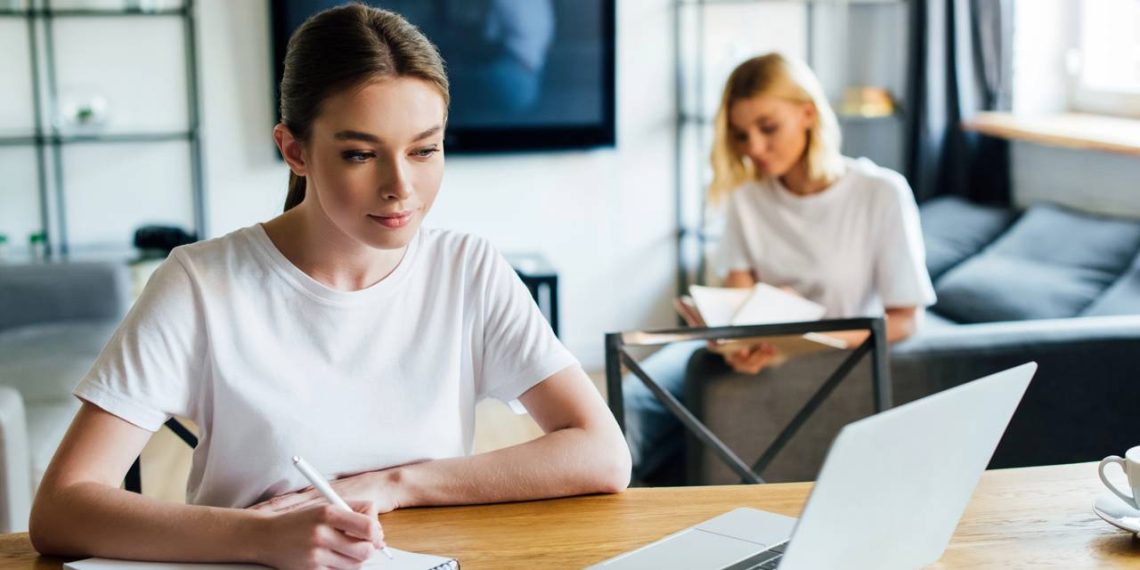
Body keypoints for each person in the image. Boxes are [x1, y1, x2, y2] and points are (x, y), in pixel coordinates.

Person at [28, 5, 630, 568]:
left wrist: (393, 484)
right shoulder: (199, 284)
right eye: (361, 155)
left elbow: (603, 454)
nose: (402, 187)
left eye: (425, 150)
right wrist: (260, 537)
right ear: (294, 149)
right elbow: (60, 508)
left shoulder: (467, 270)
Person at [624, 52, 936, 485]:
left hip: (828, 355)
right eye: (740, 134)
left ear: (808, 113)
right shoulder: (747, 198)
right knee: (632, 404)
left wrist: (803, 339)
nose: (753, 147)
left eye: (767, 128)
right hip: (759, 351)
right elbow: (736, 302)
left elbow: (905, 319)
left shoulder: (880, 193)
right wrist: (728, 338)